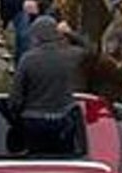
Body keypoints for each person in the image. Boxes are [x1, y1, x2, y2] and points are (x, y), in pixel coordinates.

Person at [7, 15, 93, 155]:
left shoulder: (28, 59)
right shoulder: (70, 55)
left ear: (36, 36)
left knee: (36, 158)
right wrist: (69, 33)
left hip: (34, 120)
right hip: (63, 119)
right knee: (62, 157)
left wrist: (15, 116)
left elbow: (16, 97)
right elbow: (90, 50)